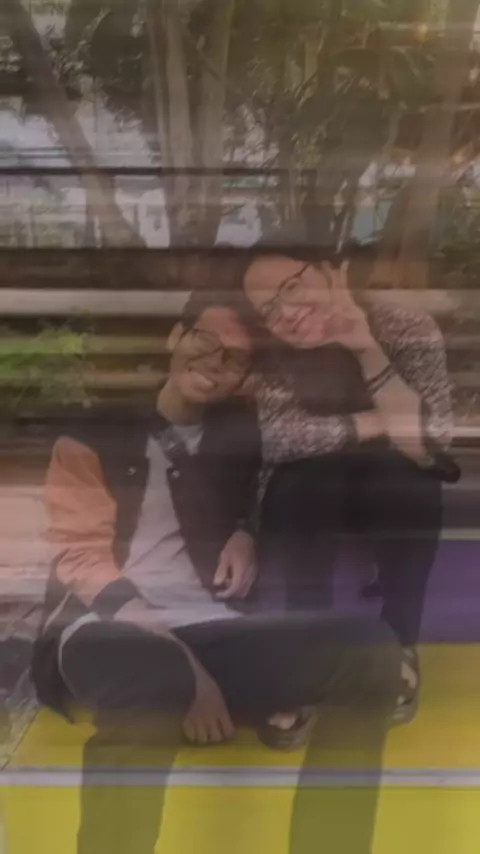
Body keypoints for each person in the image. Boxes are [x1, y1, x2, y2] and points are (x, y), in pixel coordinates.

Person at [31, 287, 400, 854]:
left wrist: (245, 530)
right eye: (204, 340)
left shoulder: (239, 434)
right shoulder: (91, 432)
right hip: (103, 628)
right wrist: (186, 666)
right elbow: (80, 558)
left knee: (369, 649)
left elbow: (266, 484)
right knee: (157, 680)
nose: (214, 362)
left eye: (234, 358)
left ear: (244, 377)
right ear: (175, 337)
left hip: (212, 626)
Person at [241, 240, 458, 724]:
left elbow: (433, 441)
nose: (286, 313)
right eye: (268, 309)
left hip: (386, 487)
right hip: (310, 493)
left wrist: (364, 346)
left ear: (329, 270)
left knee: (409, 477)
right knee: (302, 482)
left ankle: (398, 642)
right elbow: (281, 438)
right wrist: (386, 421)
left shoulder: (405, 326)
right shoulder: (274, 356)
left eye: (291, 288)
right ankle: (307, 650)